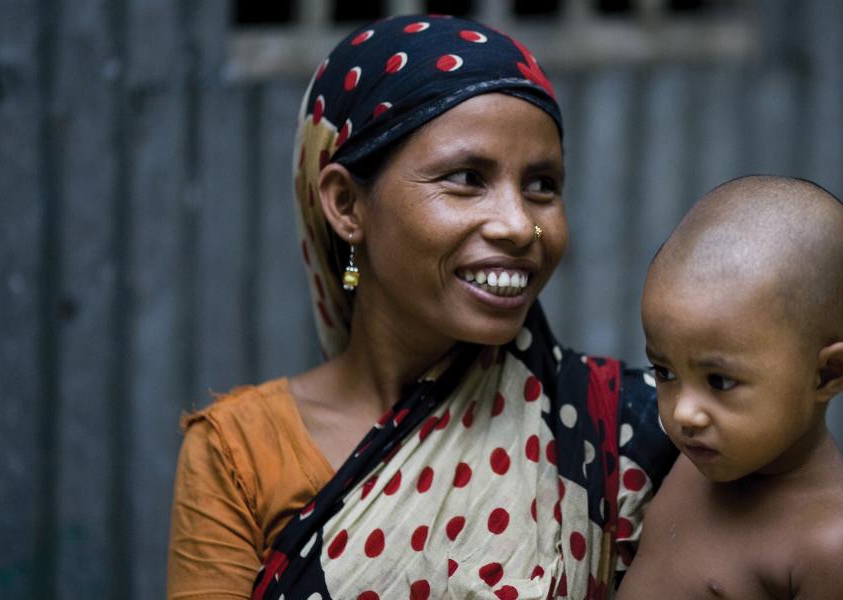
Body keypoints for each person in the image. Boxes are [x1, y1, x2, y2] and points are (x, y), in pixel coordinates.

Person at [166, 14, 676, 599]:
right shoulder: (240, 454)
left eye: (542, 185)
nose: (519, 225)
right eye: (466, 178)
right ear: (345, 205)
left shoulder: (630, 432)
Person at [617, 175, 843, 599]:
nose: (683, 412)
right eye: (665, 371)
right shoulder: (695, 460)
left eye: (719, 381)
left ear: (827, 374)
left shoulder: (829, 547)